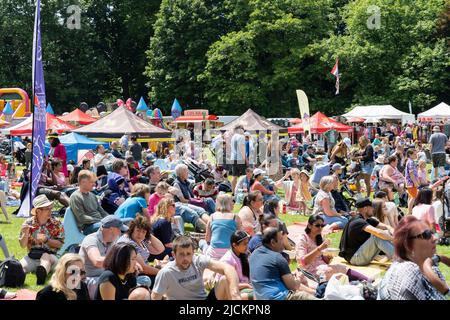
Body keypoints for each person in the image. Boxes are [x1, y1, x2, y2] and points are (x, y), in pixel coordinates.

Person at [151, 235, 241, 300]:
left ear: (193, 253)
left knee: (225, 279)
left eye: (188, 254)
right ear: (173, 255)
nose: (185, 258)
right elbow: (155, 297)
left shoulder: (198, 261)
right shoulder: (166, 272)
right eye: (181, 254)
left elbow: (228, 268)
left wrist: (235, 294)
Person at [378, 216, 446, 300]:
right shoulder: (406, 276)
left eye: (432, 233)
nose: (435, 238)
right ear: (407, 245)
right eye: (426, 235)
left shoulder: (432, 268)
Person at [249, 227, 317, 300]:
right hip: (279, 297)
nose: (284, 243)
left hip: (260, 298)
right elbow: (293, 287)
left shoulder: (253, 255)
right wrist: (299, 278)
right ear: (273, 242)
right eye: (281, 239)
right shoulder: (277, 257)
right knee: (304, 296)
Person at [296, 215, 369, 282]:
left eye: (322, 225)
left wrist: (328, 257)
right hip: (308, 271)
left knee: (340, 267)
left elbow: (322, 259)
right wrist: (320, 248)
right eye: (317, 225)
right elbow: (303, 261)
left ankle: (367, 280)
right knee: (329, 271)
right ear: (309, 226)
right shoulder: (303, 239)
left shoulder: (319, 238)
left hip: (321, 267)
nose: (320, 228)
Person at [19, 195, 64, 285]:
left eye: (51, 208)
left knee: (45, 257)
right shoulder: (28, 223)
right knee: (19, 268)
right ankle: (17, 279)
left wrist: (46, 240)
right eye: (47, 209)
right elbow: (23, 245)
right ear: (38, 211)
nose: (51, 211)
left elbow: (60, 244)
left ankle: (41, 276)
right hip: (33, 256)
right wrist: (25, 233)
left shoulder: (56, 223)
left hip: (51, 256)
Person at [80, 215, 128, 299]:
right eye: (119, 230)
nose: (120, 233)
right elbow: (97, 261)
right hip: (89, 279)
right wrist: (121, 261)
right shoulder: (91, 239)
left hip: (107, 277)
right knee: (103, 282)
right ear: (111, 229)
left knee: (141, 280)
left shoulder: (114, 240)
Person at [339, 198, 394, 266]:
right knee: (377, 236)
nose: (373, 209)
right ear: (365, 209)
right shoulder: (358, 221)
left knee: (386, 232)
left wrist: (391, 229)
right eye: (371, 207)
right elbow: (378, 233)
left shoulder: (366, 219)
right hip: (355, 258)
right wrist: (395, 238)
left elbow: (385, 226)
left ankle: (401, 255)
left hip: (360, 254)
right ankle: (401, 258)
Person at [117, 215, 166, 284]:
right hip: (132, 276)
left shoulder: (140, 240)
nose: (140, 234)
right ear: (132, 229)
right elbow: (143, 268)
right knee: (163, 278)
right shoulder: (128, 243)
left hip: (143, 272)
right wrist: (163, 273)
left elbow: (160, 249)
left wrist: (148, 234)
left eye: (143, 232)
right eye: (138, 230)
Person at [199, 194, 243, 260]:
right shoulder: (235, 218)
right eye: (232, 201)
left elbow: (207, 238)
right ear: (229, 204)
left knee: (202, 242)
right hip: (230, 252)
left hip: (214, 253)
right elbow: (241, 236)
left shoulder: (212, 217)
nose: (233, 203)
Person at [70, 170, 110, 235]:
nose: (94, 184)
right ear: (83, 182)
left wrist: (110, 218)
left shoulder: (92, 195)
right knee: (111, 228)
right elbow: (81, 218)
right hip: (88, 227)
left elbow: (101, 211)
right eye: (91, 182)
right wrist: (101, 220)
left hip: (98, 223)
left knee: (119, 223)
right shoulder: (75, 197)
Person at [218, 231, 253, 300]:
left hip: (244, 287)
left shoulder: (243, 254)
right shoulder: (228, 260)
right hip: (230, 292)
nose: (247, 246)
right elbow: (227, 284)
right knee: (255, 295)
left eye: (247, 243)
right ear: (234, 245)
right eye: (244, 244)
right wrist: (246, 285)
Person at [230, 125, 247, 194]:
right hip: (240, 159)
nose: (244, 131)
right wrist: (246, 159)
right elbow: (242, 149)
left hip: (233, 158)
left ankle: (233, 192)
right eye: (243, 129)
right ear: (240, 129)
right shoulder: (241, 137)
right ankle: (244, 191)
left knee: (234, 176)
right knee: (245, 176)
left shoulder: (233, 137)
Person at [405, 148, 420, 215]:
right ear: (410, 155)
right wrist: (415, 182)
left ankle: (409, 210)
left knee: (410, 197)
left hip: (409, 182)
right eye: (414, 154)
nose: (416, 155)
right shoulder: (410, 162)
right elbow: (411, 173)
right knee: (413, 197)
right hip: (411, 182)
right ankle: (409, 212)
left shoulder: (410, 161)